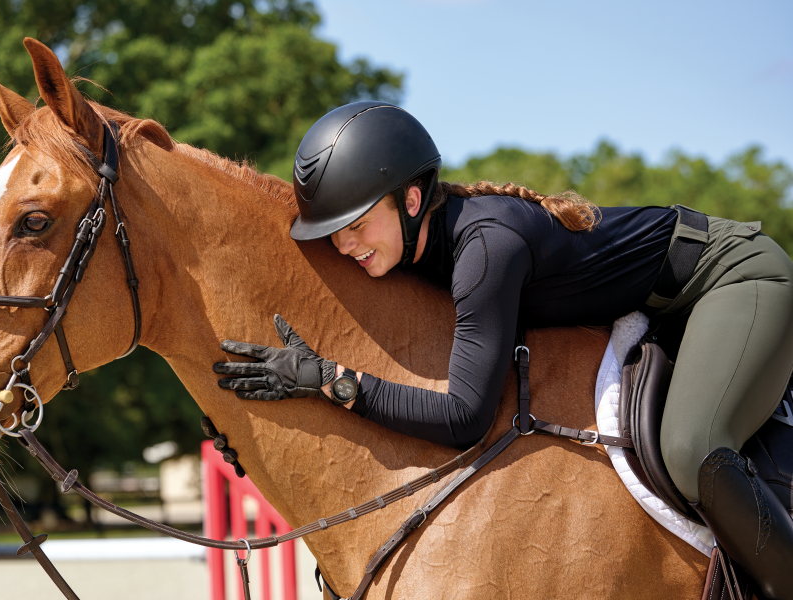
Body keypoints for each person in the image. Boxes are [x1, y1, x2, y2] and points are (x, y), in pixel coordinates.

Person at [212, 102, 793, 599]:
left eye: (357, 223)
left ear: (411, 201)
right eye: (334, 232)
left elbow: (466, 417)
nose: (343, 244)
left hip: (734, 277)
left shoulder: (485, 250)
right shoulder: (419, 250)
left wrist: (332, 382)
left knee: (691, 448)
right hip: (662, 304)